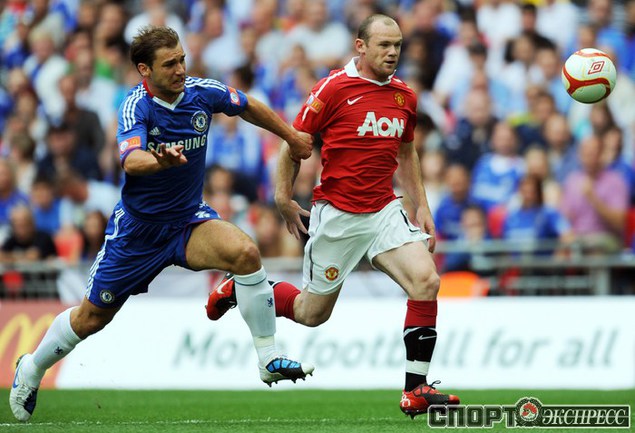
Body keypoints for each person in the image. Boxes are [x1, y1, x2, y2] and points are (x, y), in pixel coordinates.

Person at [10, 26, 314, 423]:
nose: (181, 69)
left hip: (187, 221)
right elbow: (130, 160)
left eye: (182, 59)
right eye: (170, 64)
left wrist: (291, 136)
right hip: (137, 233)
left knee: (245, 252)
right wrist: (160, 160)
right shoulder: (136, 106)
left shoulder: (202, 92)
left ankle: (268, 358)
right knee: (91, 318)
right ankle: (31, 367)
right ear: (145, 70)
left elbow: (246, 105)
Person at [207, 14, 459, 418]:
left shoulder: (404, 96)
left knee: (426, 281)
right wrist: (283, 196)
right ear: (361, 46)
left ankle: (415, 389)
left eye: (397, 45)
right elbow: (294, 143)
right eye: (384, 45)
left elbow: (406, 151)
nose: (393, 52)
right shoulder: (333, 89)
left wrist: (422, 205)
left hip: (384, 211)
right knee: (311, 314)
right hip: (338, 216)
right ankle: (243, 288)